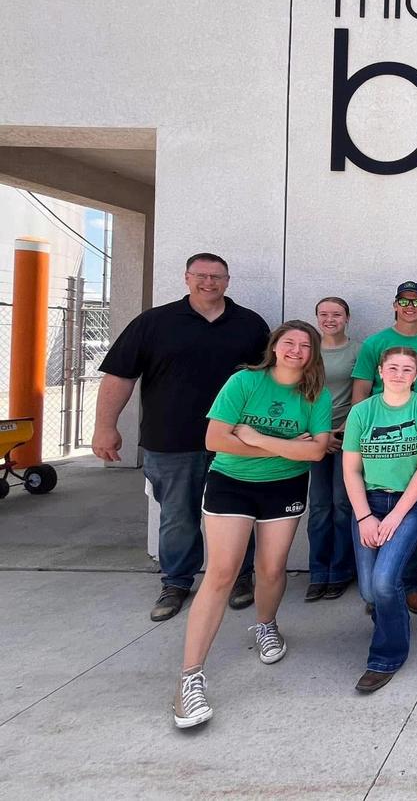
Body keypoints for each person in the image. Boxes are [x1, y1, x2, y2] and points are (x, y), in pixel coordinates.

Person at [172, 321, 332, 728]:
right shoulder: (244, 381)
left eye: (305, 345)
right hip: (231, 482)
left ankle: (265, 625)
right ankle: (189, 677)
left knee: (271, 569)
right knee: (222, 574)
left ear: (313, 354)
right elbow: (215, 440)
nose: (296, 350)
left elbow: (316, 453)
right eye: (289, 342)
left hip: (284, 487)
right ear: (275, 347)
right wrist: (287, 447)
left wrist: (256, 438)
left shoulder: (315, 393)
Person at [94, 252, 268, 622]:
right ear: (187, 278)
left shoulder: (250, 324)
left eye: (217, 276)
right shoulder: (154, 323)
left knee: (238, 513)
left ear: (227, 281)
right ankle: (176, 581)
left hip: (236, 442)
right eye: (201, 275)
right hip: (171, 440)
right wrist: (105, 426)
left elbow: (269, 381)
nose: (209, 282)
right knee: (177, 516)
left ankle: (240, 576)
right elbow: (120, 376)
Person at [342, 347, 417, 693]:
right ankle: (391, 619)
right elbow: (351, 470)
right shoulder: (362, 412)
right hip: (369, 501)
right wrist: (364, 517)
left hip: (411, 502)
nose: (399, 374)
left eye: (407, 369)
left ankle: (386, 657)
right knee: (369, 590)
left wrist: (396, 516)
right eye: (393, 368)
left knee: (385, 581)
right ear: (380, 372)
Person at [351, 280, 417, 615]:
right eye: (404, 301)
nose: (410, 307)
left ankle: (409, 585)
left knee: (414, 523)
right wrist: (360, 427)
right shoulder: (375, 343)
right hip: (378, 444)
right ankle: (381, 588)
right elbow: (361, 389)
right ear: (395, 305)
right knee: (370, 525)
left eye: (416, 302)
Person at [306, 296, 359, 602]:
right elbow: (300, 392)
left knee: (342, 504)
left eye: (336, 314)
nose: (330, 319)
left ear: (347, 318)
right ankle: (318, 572)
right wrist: (319, 435)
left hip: (346, 435)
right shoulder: (308, 350)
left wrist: (343, 430)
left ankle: (340, 571)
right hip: (313, 436)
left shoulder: (357, 351)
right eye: (324, 314)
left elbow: (362, 393)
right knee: (318, 506)